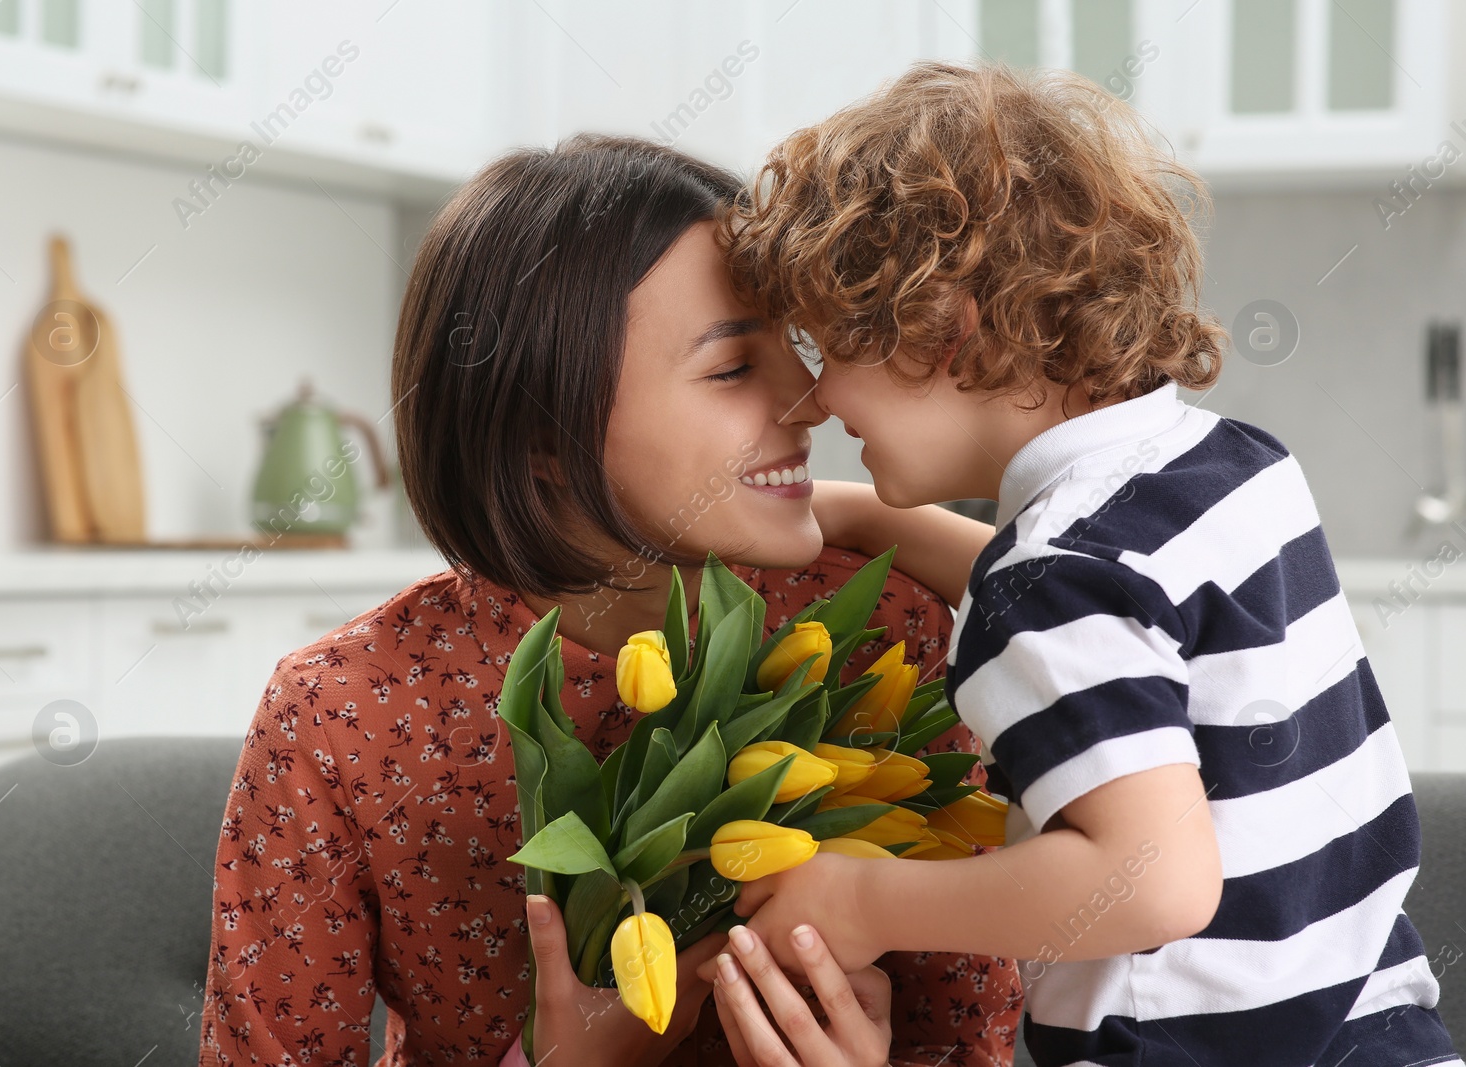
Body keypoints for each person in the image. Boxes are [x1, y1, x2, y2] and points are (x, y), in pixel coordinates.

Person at [196, 134, 1022, 1067]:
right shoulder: (340, 716)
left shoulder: (878, 630)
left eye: (790, 347)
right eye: (731, 368)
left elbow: (971, 1038)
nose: (810, 397)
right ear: (541, 440)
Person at [702, 61, 1462, 1067]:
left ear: (942, 327)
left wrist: (863, 896)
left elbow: (1150, 879)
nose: (810, 397)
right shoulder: (1227, 465)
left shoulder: (1049, 581)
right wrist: (868, 520)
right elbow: (1112, 632)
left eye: (825, 342)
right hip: (1376, 1030)